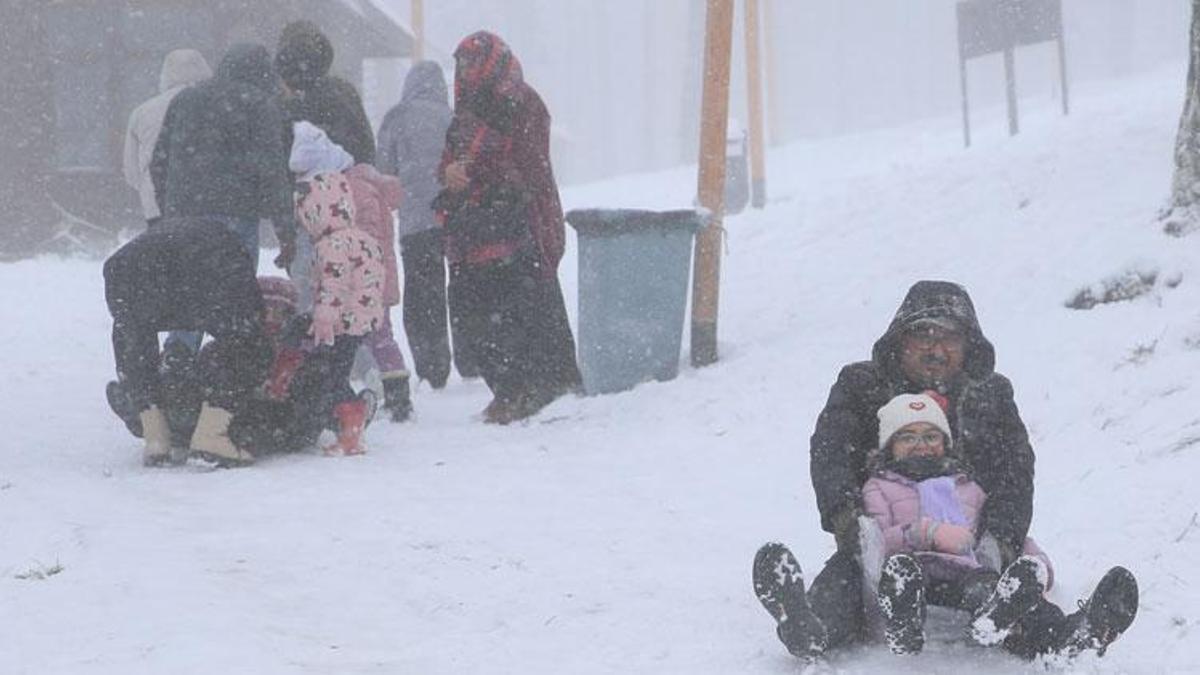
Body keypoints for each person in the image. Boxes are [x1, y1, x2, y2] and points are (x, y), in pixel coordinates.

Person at [857, 393, 1136, 659]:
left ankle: (1059, 633)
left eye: (931, 436)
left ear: (945, 443)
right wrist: (924, 532)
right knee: (901, 577)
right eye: (908, 437)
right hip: (912, 572)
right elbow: (877, 541)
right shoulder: (879, 486)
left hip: (966, 572)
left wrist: (1035, 565)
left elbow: (991, 532)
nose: (921, 444)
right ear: (890, 445)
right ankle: (903, 625)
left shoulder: (967, 485)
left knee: (990, 589)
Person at [435, 31, 581, 424]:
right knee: (477, 314)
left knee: (522, 308)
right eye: (460, 64)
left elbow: (529, 163)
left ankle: (537, 386)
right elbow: (450, 156)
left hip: (517, 224)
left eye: (471, 64)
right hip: (474, 228)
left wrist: (480, 173)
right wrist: (450, 173)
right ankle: (508, 388)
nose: (464, 72)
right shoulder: (466, 109)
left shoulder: (521, 102)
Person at [149, 43, 294, 357]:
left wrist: (169, 209)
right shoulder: (259, 105)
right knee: (234, 296)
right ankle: (228, 373)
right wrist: (285, 230)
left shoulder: (185, 100)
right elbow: (272, 171)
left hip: (184, 215)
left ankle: (179, 359)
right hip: (236, 216)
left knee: (190, 290)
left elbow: (158, 161)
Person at [102, 218, 272, 467]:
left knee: (134, 338)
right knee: (251, 343)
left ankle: (156, 438)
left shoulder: (201, 234)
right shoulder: (233, 258)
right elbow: (247, 326)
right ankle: (212, 434)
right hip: (201, 267)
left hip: (125, 269)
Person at [377, 60, 476, 387]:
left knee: (423, 293)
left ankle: (432, 367)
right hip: (456, 217)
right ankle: (471, 360)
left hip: (416, 220)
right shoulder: (454, 119)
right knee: (462, 286)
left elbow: (385, 171)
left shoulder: (396, 117)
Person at [292, 152, 385, 455]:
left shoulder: (331, 245)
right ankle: (348, 426)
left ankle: (350, 424)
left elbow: (334, 282)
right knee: (338, 371)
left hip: (341, 322)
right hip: (362, 320)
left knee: (332, 376)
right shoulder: (362, 238)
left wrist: (323, 315)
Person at [122, 49, 211, 229]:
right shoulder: (218, 107)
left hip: (156, 205)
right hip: (208, 204)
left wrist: (149, 188)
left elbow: (131, 171)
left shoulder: (142, 112)